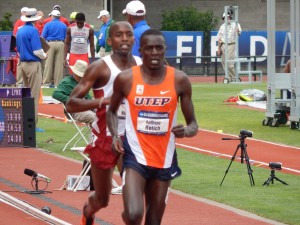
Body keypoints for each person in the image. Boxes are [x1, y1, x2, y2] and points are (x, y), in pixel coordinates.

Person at [106, 29, 198, 225]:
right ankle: (128, 217)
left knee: (153, 221)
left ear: (165, 50)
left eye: (159, 48)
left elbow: (193, 124)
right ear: (141, 51)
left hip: (164, 159)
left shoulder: (180, 80)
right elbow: (112, 111)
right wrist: (115, 135)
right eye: (149, 48)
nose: (154, 52)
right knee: (133, 214)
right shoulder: (126, 78)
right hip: (134, 157)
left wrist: (186, 131)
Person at [66, 21, 142, 225]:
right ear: (109, 40)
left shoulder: (142, 66)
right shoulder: (99, 67)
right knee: (102, 199)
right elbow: (71, 104)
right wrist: (102, 101)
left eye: (129, 34)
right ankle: (87, 214)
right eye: (119, 35)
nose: (124, 38)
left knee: (135, 197)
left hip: (133, 139)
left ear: (134, 38)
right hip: (104, 138)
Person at [16, 8, 47, 127]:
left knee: (25, 93)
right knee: (34, 95)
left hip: (22, 63)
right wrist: (44, 56)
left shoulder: (20, 30)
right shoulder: (33, 31)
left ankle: (24, 121)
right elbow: (37, 51)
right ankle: (32, 124)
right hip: (33, 63)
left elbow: (18, 49)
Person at [52, 60, 95, 125]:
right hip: (75, 111)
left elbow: (87, 97)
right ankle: (99, 134)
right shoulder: (66, 82)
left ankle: (98, 134)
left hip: (86, 109)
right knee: (96, 118)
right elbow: (55, 94)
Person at [42, 9, 67, 87]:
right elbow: (66, 38)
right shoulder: (63, 25)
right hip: (61, 43)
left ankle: (46, 83)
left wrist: (43, 48)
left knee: (48, 64)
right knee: (59, 65)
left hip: (50, 43)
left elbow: (43, 37)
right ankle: (58, 83)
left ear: (52, 16)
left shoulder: (48, 24)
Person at [217, 12, 242, 82]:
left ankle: (235, 77)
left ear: (230, 17)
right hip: (223, 44)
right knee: (223, 61)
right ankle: (228, 77)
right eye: (224, 18)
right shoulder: (222, 26)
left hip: (231, 44)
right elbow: (219, 38)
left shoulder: (236, 24)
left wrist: (237, 32)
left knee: (230, 63)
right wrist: (219, 48)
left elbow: (239, 33)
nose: (226, 19)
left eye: (227, 17)